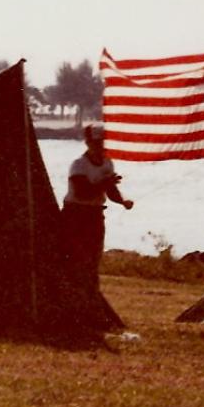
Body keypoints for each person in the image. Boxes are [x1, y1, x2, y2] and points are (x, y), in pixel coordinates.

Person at [62, 125, 133, 291]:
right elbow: (81, 193)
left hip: (95, 214)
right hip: (75, 214)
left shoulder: (107, 162)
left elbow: (110, 191)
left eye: (102, 142)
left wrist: (122, 201)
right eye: (96, 143)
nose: (100, 146)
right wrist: (106, 183)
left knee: (94, 256)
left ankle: (91, 290)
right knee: (77, 256)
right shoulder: (78, 165)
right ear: (88, 143)